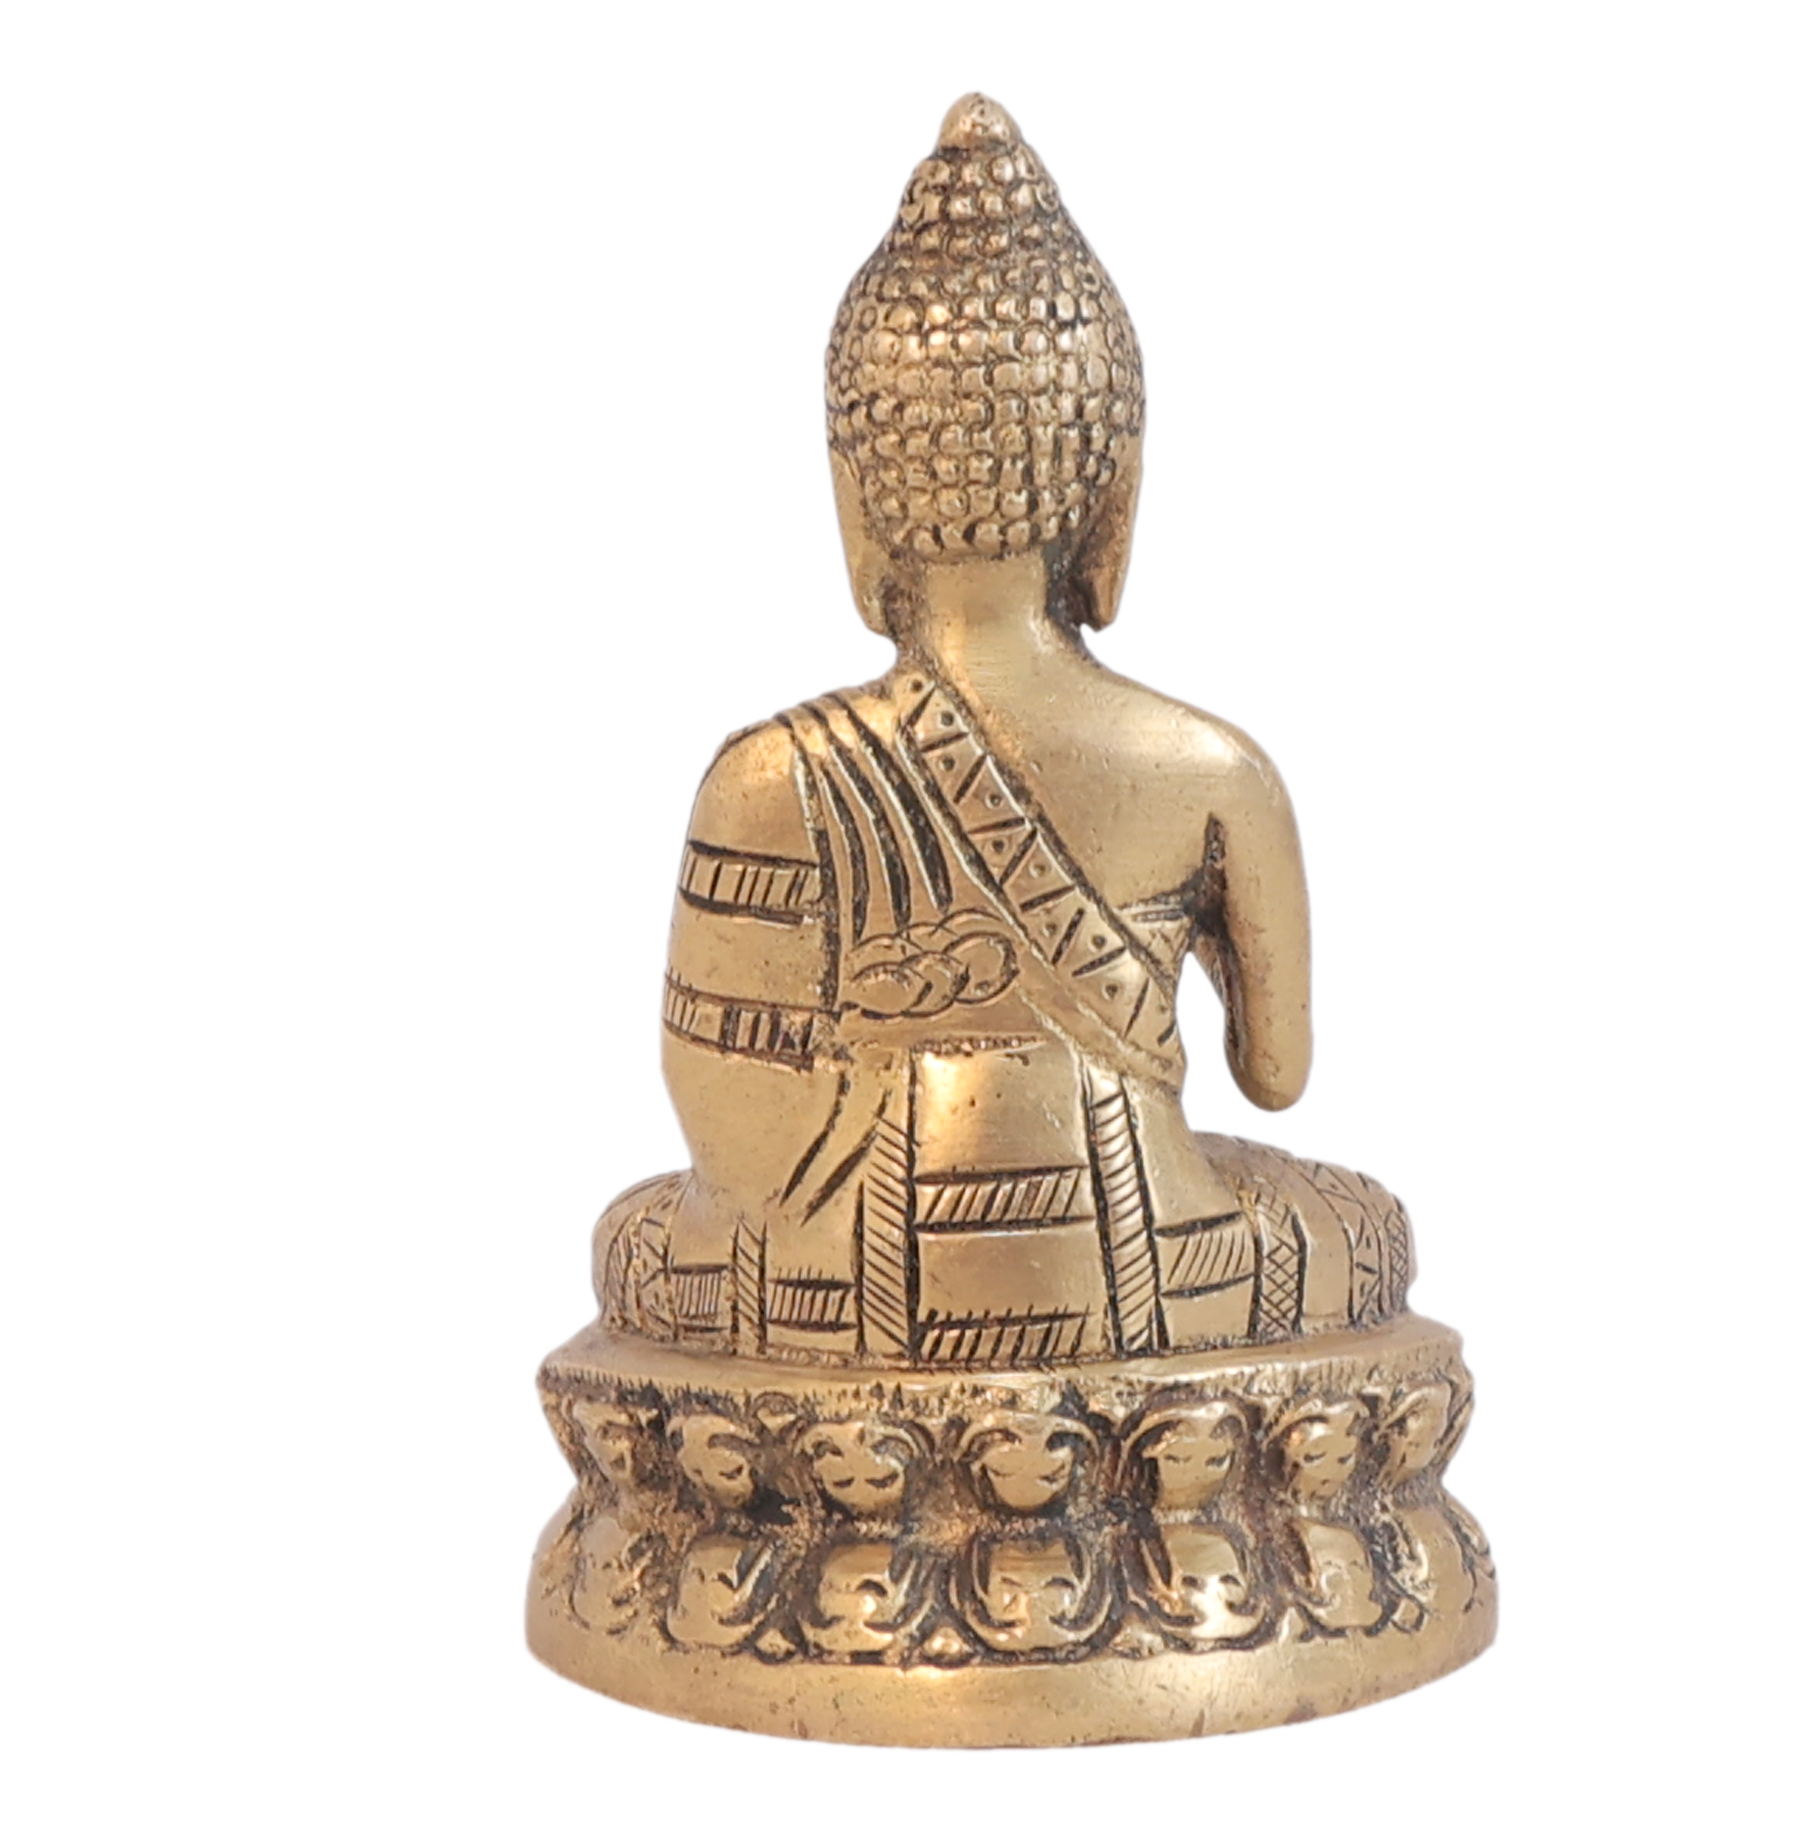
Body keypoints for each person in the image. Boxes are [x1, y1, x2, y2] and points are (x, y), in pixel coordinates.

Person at [595, 94, 1413, 1368]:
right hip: (1136, 1256)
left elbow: (728, 1127)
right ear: (1113, 492)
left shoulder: (762, 778)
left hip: (840, 1295)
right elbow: (1275, 1072)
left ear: (854, 496)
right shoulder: (1213, 771)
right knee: (1359, 1224)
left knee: (635, 1235)